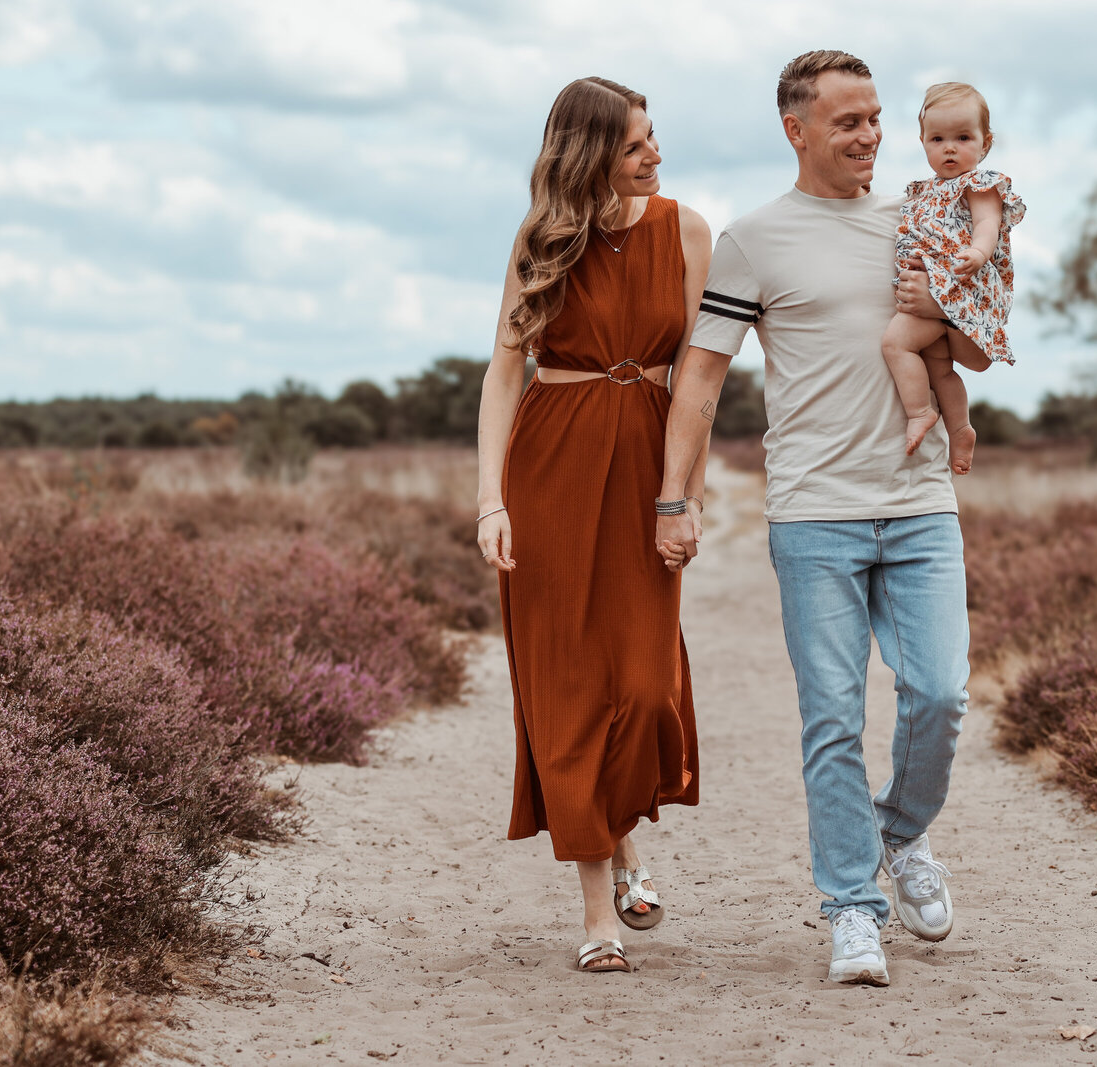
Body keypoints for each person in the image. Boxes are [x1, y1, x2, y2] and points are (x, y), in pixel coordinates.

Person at [656, 50, 970, 987]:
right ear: (797, 131)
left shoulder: (921, 220)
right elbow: (702, 378)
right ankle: (851, 909)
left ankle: (899, 834)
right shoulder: (754, 241)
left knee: (941, 694)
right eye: (849, 122)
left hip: (919, 506)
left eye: (877, 117)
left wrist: (963, 296)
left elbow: (978, 349)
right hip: (814, 513)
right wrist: (680, 495)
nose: (872, 135)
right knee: (832, 716)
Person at [475, 76, 711, 975]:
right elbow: (504, 374)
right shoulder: (541, 238)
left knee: (646, 687)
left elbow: (698, 379)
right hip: (551, 469)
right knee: (567, 687)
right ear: (591, 156)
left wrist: (683, 493)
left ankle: (625, 845)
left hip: (647, 468)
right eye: (635, 144)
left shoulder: (685, 229)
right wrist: (490, 500)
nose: (655, 154)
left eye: (655, 136)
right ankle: (596, 914)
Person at [882, 82, 1027, 475]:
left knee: (901, 345)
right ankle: (956, 426)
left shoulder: (978, 184)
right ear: (923, 141)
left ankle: (922, 414)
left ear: (986, 143)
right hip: (932, 293)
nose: (949, 148)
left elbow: (987, 225)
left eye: (963, 137)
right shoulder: (920, 193)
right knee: (929, 362)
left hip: (964, 284)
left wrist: (978, 253)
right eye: (938, 138)